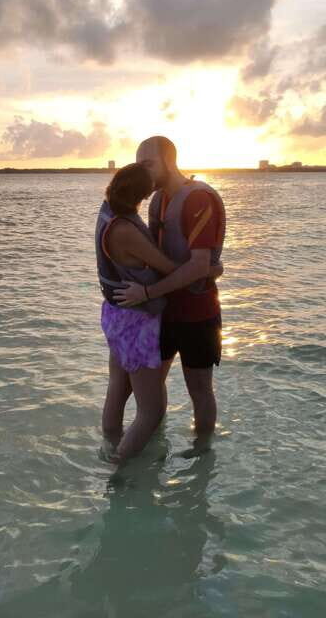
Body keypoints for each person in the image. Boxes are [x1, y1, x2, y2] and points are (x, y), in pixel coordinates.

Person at [95, 162, 222, 462]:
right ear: (143, 194)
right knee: (151, 411)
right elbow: (171, 268)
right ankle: (120, 469)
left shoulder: (107, 212)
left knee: (117, 386)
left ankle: (109, 445)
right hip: (136, 321)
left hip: (115, 314)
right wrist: (211, 269)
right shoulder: (127, 230)